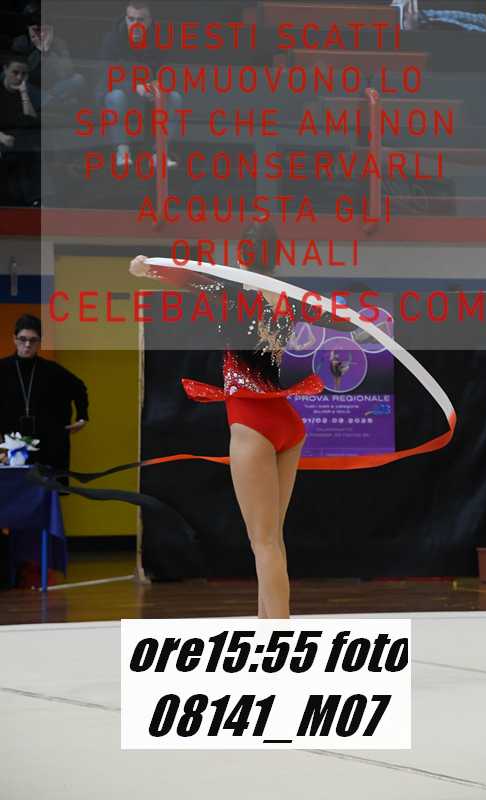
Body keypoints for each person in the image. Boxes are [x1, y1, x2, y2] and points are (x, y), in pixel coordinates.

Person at [129, 222, 355, 618]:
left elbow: (185, 277)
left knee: (263, 544)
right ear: (275, 257)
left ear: (240, 257)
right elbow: (345, 321)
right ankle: (266, 628)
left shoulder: (230, 291)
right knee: (271, 542)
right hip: (286, 423)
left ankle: (280, 641)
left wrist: (145, 266)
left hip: (252, 422)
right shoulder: (290, 298)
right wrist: (359, 319)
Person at [0, 315, 89, 475]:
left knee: (48, 487)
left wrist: (82, 417)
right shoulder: (2, 369)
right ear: (14, 339)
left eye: (33, 340)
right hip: (10, 446)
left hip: (48, 446)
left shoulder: (52, 370)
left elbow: (79, 388)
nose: (27, 344)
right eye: (22, 339)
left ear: (40, 341)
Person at [96, 3, 182, 168]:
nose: (135, 24)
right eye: (131, 19)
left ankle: (160, 153)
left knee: (175, 98)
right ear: (125, 19)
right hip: (120, 90)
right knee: (116, 97)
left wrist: (157, 87)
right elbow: (107, 75)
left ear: (149, 21)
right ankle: (122, 152)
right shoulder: (112, 39)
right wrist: (134, 87)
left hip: (150, 92)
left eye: (140, 20)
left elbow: (169, 72)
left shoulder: (161, 39)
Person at [12, 7, 86, 111]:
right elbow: (19, 70)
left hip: (53, 86)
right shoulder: (23, 43)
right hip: (33, 84)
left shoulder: (59, 43)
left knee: (78, 79)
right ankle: (55, 102)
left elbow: (69, 73)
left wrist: (60, 53)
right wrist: (36, 52)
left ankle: (50, 100)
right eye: (38, 28)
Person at [0, 54, 40, 205]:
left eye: (23, 74)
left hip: (18, 140)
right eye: (15, 72)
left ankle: (33, 200)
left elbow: (31, 120)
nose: (19, 77)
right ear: (5, 70)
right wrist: (1, 136)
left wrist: (23, 93)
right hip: (3, 138)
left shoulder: (25, 92)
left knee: (30, 152)